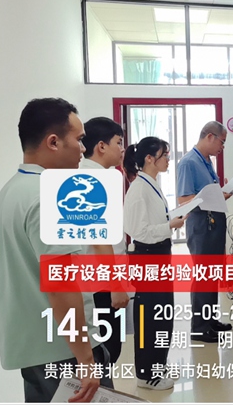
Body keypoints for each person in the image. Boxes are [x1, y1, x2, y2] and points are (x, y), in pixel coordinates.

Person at [0, 98, 112, 402]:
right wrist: (86, 360)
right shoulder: (49, 197)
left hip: (34, 349)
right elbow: (62, 287)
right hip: (64, 352)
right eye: (79, 139)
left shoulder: (11, 191)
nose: (83, 149)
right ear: (54, 142)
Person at [123, 137, 186, 391]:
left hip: (159, 255)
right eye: (164, 155)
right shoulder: (139, 189)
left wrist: (171, 220)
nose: (168, 159)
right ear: (149, 159)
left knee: (162, 315)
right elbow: (139, 232)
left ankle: (157, 366)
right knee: (149, 319)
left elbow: (154, 221)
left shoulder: (152, 184)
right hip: (148, 257)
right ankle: (146, 374)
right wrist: (170, 225)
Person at [176, 121, 233, 343]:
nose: (222, 148)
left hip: (214, 223)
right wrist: (216, 196)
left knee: (212, 274)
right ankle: (199, 328)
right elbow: (184, 200)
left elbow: (207, 193)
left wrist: (220, 193)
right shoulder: (189, 162)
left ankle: (210, 320)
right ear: (210, 136)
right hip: (201, 226)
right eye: (222, 142)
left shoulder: (207, 161)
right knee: (202, 276)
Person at [80, 117, 130, 365]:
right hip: (101, 285)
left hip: (93, 280)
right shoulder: (97, 180)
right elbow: (101, 238)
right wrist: (116, 285)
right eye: (118, 142)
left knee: (103, 350)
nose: (122, 149)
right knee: (107, 351)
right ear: (101, 146)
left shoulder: (85, 174)